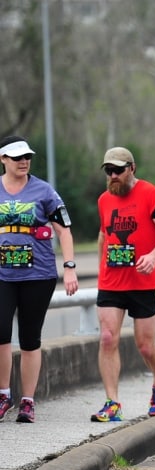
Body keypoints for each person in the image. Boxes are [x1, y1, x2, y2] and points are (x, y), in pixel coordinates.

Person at [91, 147, 155, 422]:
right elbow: (104, 236)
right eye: (109, 171)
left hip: (144, 282)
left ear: (132, 168)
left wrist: (153, 255)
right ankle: (112, 402)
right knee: (107, 338)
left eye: (118, 170)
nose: (113, 176)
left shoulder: (150, 194)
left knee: (145, 346)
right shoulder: (104, 200)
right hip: (111, 282)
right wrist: (100, 269)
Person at [0, 135, 79, 423]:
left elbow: (65, 231)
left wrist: (69, 267)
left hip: (38, 274)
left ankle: (28, 401)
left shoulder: (44, 191)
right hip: (2, 275)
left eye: (27, 157)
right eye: (17, 157)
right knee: (0, 333)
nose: (24, 161)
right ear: (3, 159)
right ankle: (4, 394)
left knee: (30, 338)